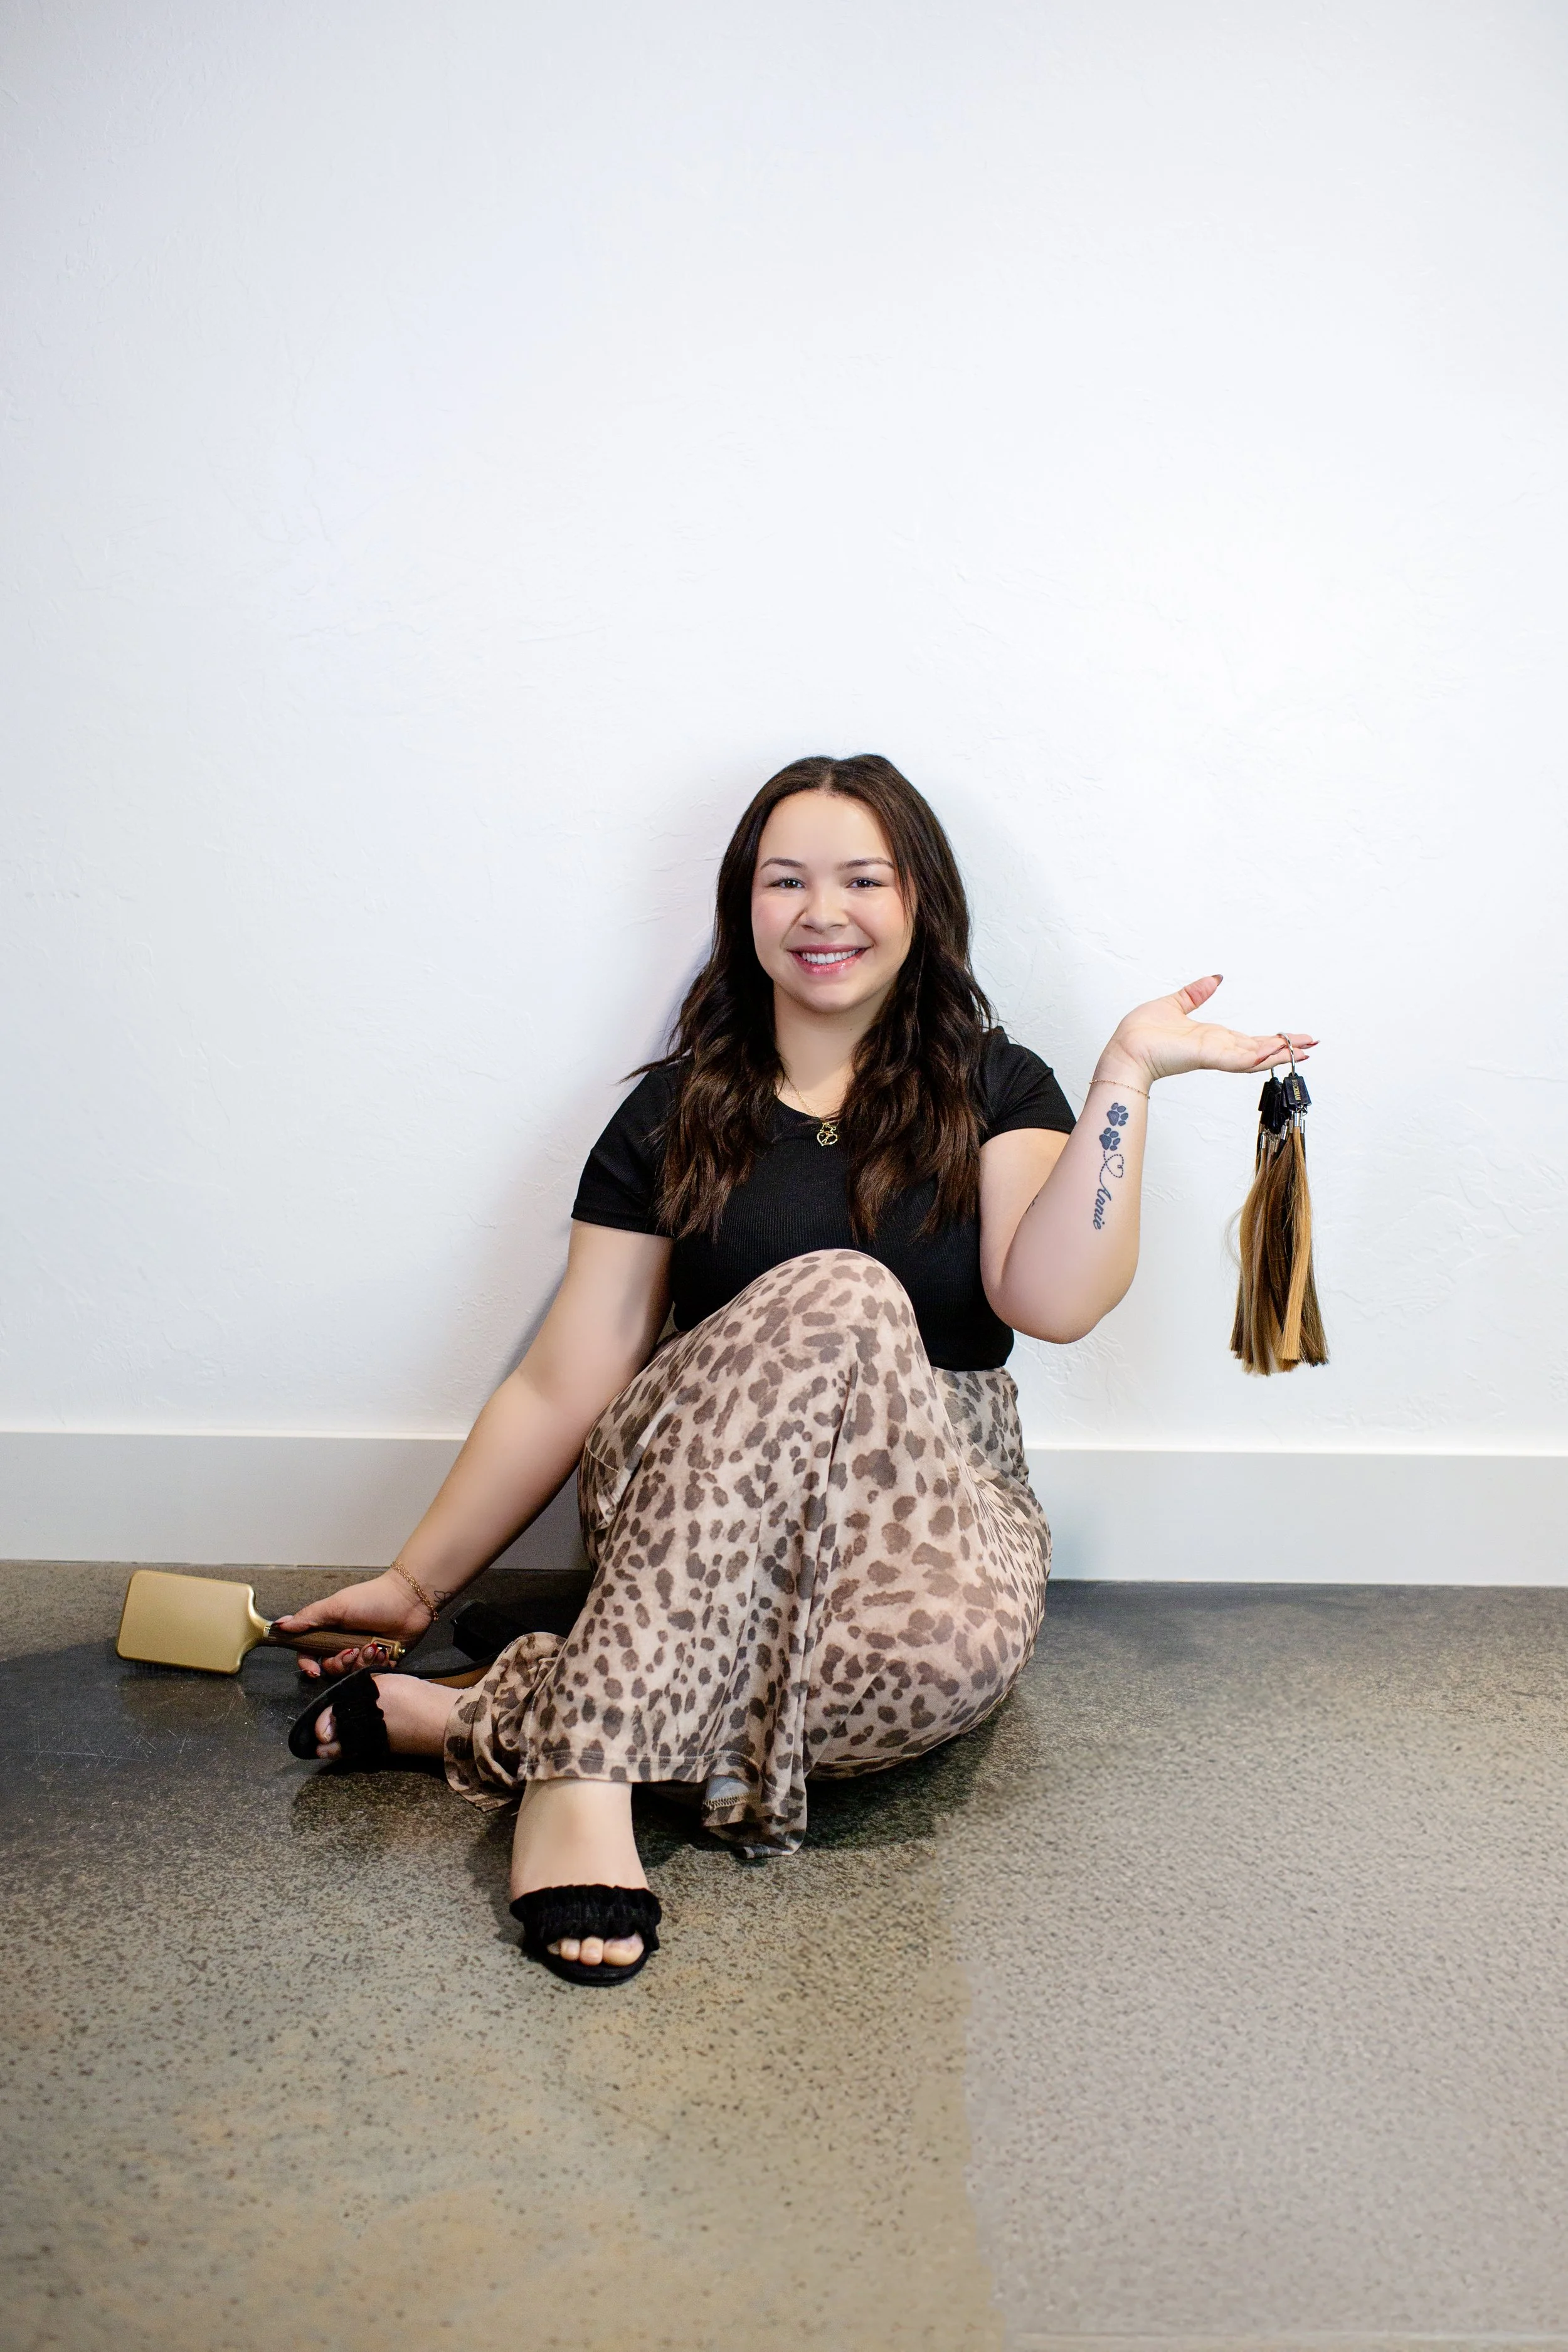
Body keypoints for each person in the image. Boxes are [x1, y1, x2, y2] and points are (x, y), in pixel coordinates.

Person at [278, 754, 1315, 1985]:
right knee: (843, 1288)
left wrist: (1124, 1077)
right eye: (786, 881)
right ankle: (579, 1778)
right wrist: (416, 1582)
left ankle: (494, 1706)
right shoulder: (672, 1113)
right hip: (690, 1496)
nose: (824, 912)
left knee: (934, 1673)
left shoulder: (997, 1087)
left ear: (919, 900)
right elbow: (565, 1379)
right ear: (745, 907)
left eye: (862, 879)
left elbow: (1055, 1301)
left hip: (933, 1501)